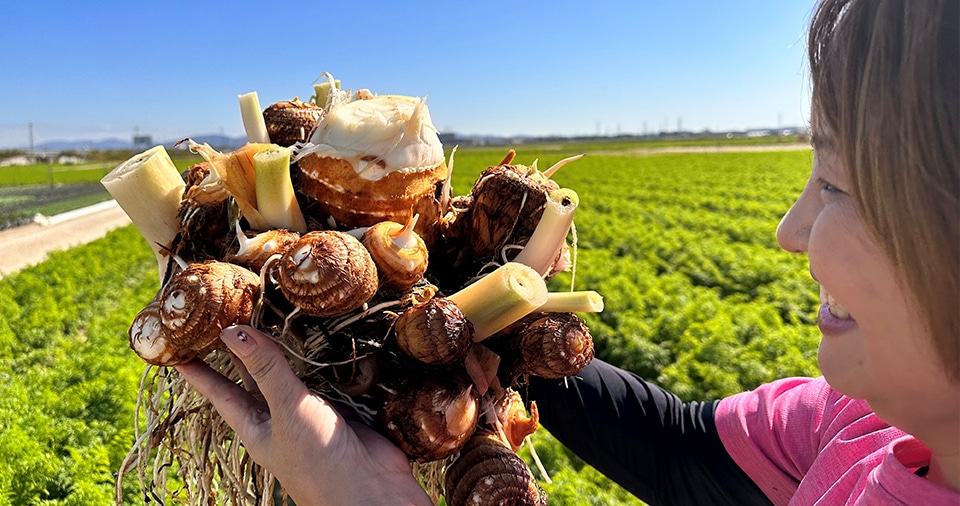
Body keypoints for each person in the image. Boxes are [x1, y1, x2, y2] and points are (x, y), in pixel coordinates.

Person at [176, 0, 960, 504]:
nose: (792, 229)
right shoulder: (861, 424)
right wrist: (481, 324)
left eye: (837, 185)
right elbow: (681, 453)